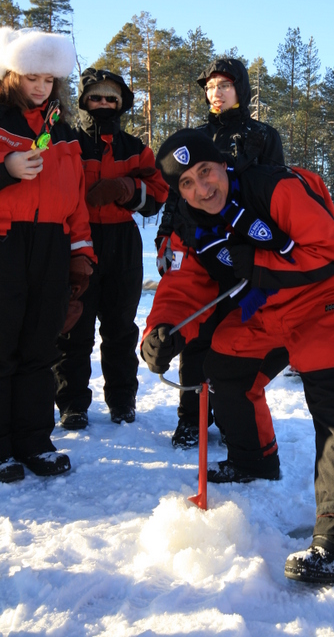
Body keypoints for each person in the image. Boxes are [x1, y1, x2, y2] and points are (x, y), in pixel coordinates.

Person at [141, 129, 334, 585]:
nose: (201, 189)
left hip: (322, 301)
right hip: (265, 310)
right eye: (186, 183)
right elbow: (191, 282)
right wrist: (163, 329)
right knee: (225, 366)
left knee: (332, 400)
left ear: (221, 165)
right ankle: (254, 458)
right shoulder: (193, 223)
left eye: (205, 172)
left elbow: (329, 252)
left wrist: (257, 265)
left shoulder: (276, 187)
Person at [155, 57, 284, 449]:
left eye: (223, 85)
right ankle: (191, 417)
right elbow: (176, 194)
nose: (215, 93)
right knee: (194, 336)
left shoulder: (262, 135)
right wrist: (165, 233)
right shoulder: (194, 135)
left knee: (235, 337)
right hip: (196, 248)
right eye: (210, 87)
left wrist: (262, 246)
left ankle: (230, 415)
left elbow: (275, 191)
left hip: (242, 251)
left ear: (240, 89)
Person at [0, 27, 96, 483]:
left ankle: (34, 440)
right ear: (12, 74)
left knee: (41, 345)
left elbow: (77, 202)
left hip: (53, 246)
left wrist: (81, 256)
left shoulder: (65, 134)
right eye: (30, 77)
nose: (39, 87)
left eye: (47, 80)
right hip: (5, 242)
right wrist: (5, 170)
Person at [53, 68, 168, 428]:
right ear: (85, 101)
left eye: (111, 98)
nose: (103, 103)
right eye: (96, 97)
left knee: (120, 328)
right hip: (77, 242)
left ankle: (122, 401)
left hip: (123, 244)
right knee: (74, 329)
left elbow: (158, 195)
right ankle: (73, 404)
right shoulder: (68, 142)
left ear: (121, 104)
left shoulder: (137, 148)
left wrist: (126, 189)